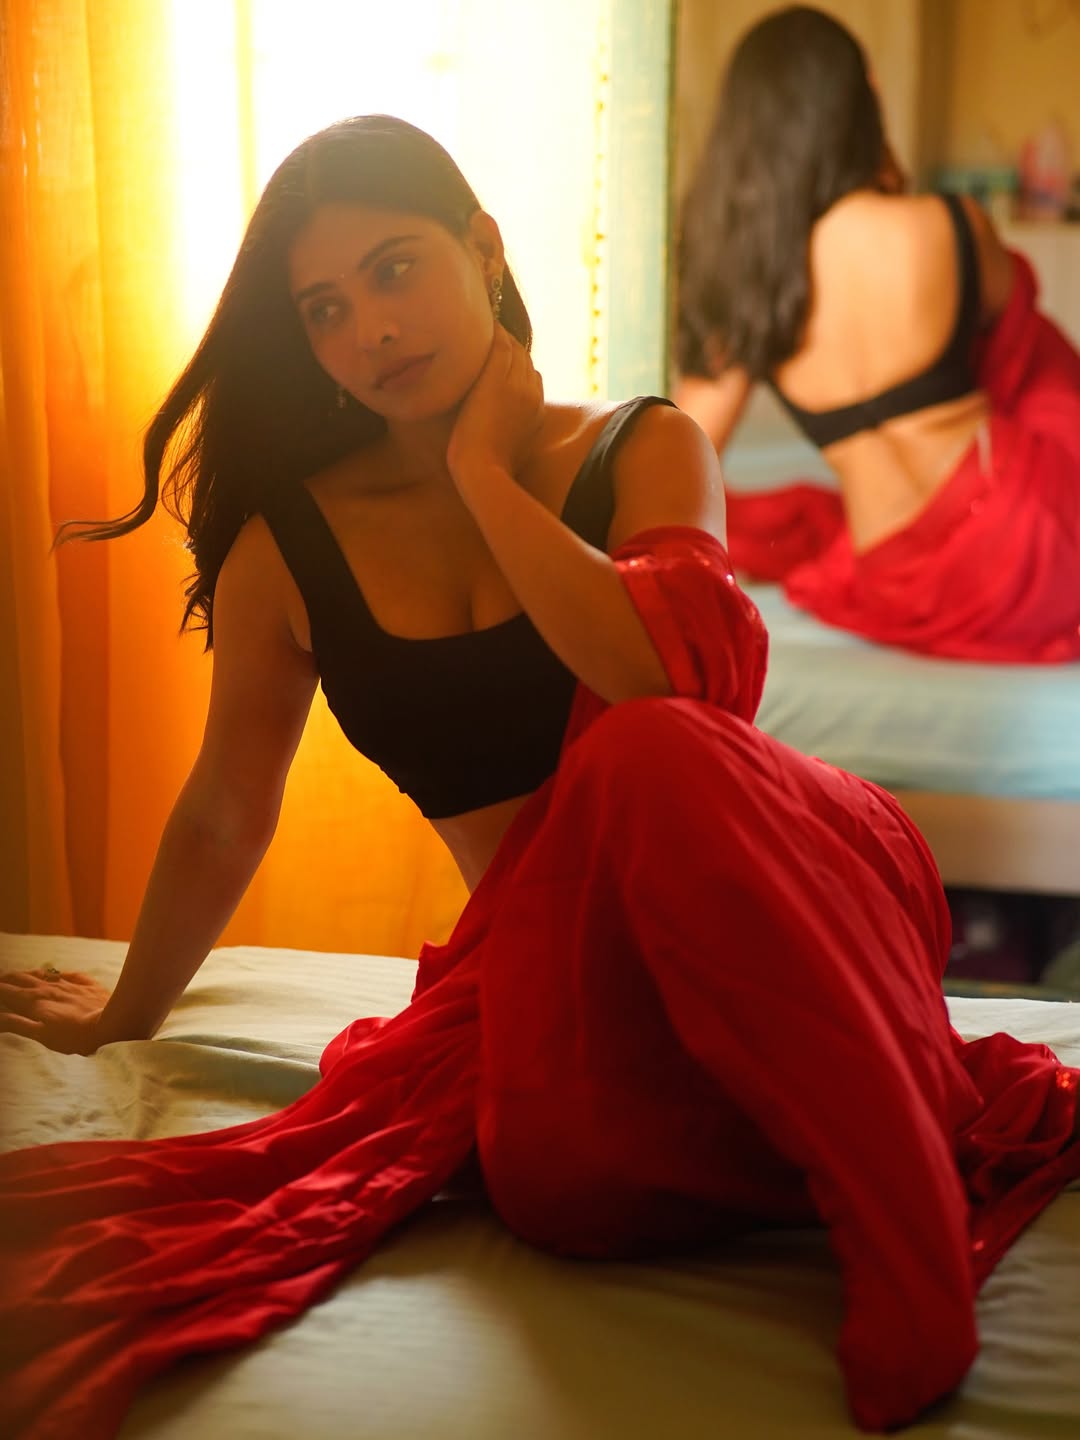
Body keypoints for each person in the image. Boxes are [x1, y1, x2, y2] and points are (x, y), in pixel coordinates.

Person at [1, 115, 1078, 1440]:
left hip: (780, 880)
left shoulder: (642, 447)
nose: (371, 330)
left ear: (484, 248)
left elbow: (667, 683)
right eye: (326, 310)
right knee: (550, 1181)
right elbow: (228, 809)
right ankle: (864, 1112)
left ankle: (908, 1240)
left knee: (638, 749)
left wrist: (486, 479)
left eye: (395, 271)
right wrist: (126, 1012)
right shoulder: (288, 551)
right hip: (567, 957)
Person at [675, 5, 1080, 662]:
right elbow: (1023, 356)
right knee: (1037, 349)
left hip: (894, 577)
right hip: (1029, 549)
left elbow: (680, 458)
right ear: (860, 108)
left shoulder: (749, 277)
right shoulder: (947, 225)